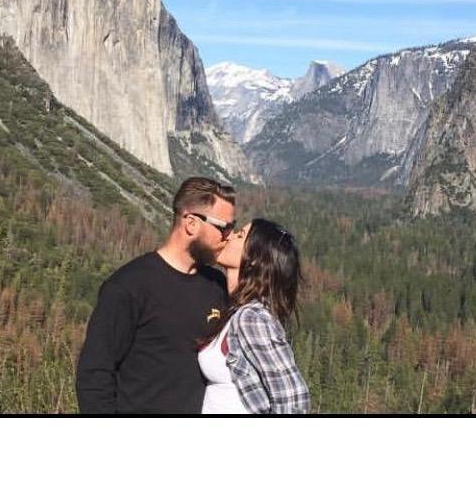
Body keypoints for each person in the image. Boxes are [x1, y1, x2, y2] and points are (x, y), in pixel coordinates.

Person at [75, 177, 236, 414]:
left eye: (233, 228)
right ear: (191, 224)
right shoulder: (129, 286)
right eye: (224, 228)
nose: (230, 236)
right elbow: (94, 374)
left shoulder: (217, 285)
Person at [198, 218, 310, 414]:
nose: (229, 236)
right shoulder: (235, 310)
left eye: (240, 235)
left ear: (255, 258)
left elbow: (294, 400)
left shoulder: (251, 318)